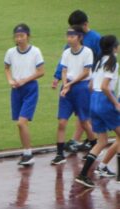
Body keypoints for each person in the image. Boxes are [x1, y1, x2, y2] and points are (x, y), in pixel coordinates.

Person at [53, 10, 102, 152]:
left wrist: (96, 79)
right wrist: (57, 76)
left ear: (85, 24)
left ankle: (84, 140)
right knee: (82, 113)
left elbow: (102, 60)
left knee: (84, 113)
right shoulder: (71, 39)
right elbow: (64, 61)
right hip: (74, 81)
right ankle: (81, 140)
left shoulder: (95, 39)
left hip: (90, 80)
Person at [75, 35, 119, 189]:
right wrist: (115, 103)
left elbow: (90, 86)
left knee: (102, 142)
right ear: (114, 47)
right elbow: (106, 87)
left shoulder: (98, 61)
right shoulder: (113, 62)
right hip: (105, 100)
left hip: (93, 100)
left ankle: (83, 175)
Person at [50, 26, 96, 165]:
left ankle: (95, 146)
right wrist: (65, 84)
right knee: (62, 121)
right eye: (68, 36)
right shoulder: (67, 52)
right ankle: (59, 153)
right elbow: (64, 70)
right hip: (68, 87)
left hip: (81, 88)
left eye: (72, 36)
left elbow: (86, 72)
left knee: (84, 121)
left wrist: (69, 84)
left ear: (79, 37)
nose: (69, 39)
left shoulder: (87, 52)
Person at [4, 24, 45, 167]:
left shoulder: (35, 51)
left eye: (22, 36)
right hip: (16, 89)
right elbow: (7, 68)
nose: (19, 39)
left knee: (21, 122)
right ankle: (26, 153)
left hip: (30, 89)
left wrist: (24, 80)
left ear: (28, 36)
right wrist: (10, 80)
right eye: (16, 36)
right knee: (21, 124)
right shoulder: (10, 52)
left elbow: (41, 71)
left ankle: (29, 153)